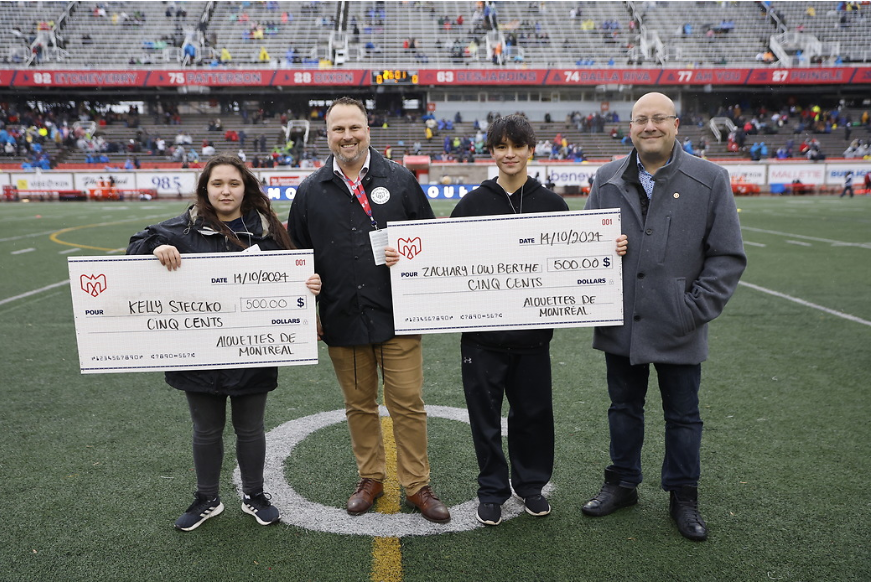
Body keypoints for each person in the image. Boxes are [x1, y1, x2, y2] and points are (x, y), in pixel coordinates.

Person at [582, 92, 746, 541]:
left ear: (676, 125)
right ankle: (622, 483)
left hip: (680, 324)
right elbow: (581, 246)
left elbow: (727, 256)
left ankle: (683, 495)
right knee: (623, 408)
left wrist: (693, 309)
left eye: (658, 119)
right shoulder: (606, 177)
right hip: (622, 319)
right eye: (640, 120)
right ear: (629, 127)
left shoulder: (711, 178)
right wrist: (599, 253)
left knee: (684, 415)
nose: (649, 126)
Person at [127, 155, 322, 532]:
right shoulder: (181, 229)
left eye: (233, 183)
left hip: (253, 350)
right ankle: (207, 498)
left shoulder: (267, 232)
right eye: (217, 184)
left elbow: (295, 278)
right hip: (198, 353)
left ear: (245, 187)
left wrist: (309, 287)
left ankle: (254, 494)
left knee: (251, 428)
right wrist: (154, 250)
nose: (225, 191)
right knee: (205, 429)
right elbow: (136, 244)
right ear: (206, 189)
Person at [450, 115, 627, 526]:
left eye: (517, 146)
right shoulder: (472, 204)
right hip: (481, 337)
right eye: (501, 146)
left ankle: (530, 486)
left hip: (533, 337)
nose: (509, 154)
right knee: (485, 417)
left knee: (533, 414)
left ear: (532, 149)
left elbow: (573, 260)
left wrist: (607, 249)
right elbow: (447, 262)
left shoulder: (552, 204)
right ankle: (492, 490)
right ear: (490, 152)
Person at [286, 97, 450, 524]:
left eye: (354, 128)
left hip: (398, 316)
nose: (347, 136)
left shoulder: (399, 179)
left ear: (368, 129)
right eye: (338, 130)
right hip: (342, 317)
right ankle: (371, 478)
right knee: (359, 406)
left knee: (408, 404)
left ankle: (416, 484)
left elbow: (430, 241)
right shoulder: (309, 190)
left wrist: (411, 259)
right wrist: (310, 306)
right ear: (327, 136)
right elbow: (296, 258)